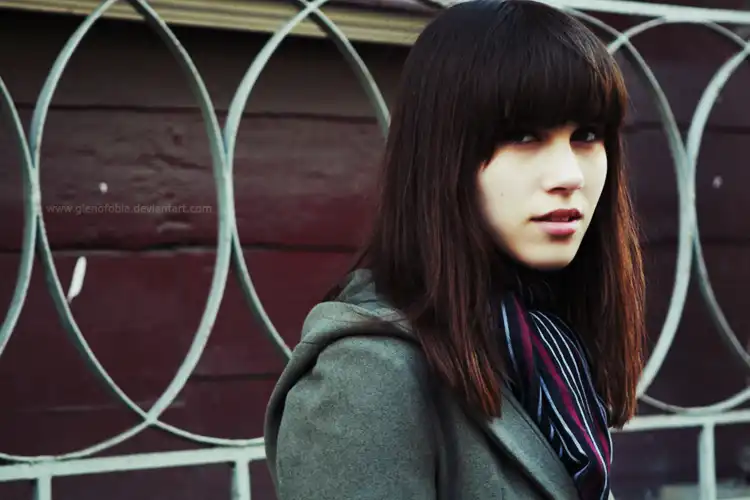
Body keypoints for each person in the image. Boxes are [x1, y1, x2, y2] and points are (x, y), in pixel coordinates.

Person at [264, 0, 645, 498]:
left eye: (587, 136)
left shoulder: (546, 344)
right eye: (523, 136)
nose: (569, 176)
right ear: (445, 154)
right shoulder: (366, 377)